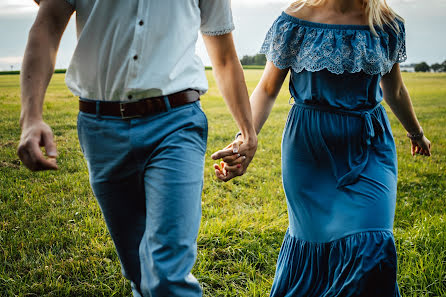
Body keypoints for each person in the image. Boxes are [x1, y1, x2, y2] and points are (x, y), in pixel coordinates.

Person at [17, 0, 257, 296]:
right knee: (139, 272)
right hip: (100, 128)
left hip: (176, 123)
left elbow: (223, 56)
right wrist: (31, 118)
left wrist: (248, 132)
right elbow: (47, 25)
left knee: (167, 272)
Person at [212, 0, 432, 296]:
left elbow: (393, 89)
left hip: (369, 146)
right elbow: (266, 89)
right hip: (309, 149)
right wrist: (244, 137)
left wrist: (415, 133)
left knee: (373, 242)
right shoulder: (294, 21)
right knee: (313, 246)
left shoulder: (387, 24)